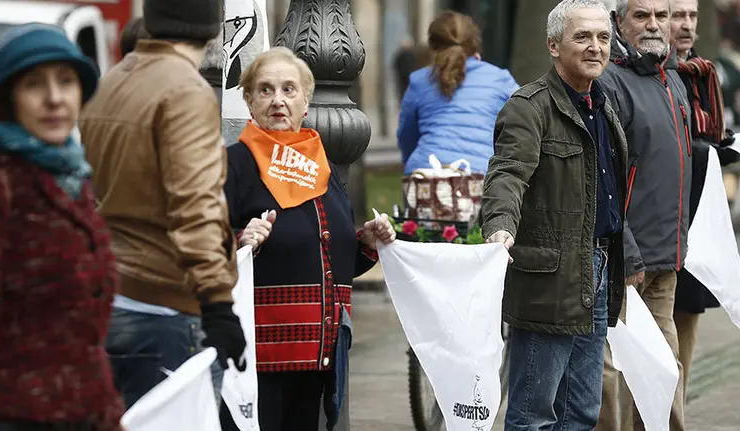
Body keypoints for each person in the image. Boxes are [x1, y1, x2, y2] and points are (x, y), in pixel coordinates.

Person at [78, 0, 245, 409]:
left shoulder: (111, 81)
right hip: (166, 306)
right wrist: (218, 302)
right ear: (213, 27)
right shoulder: (186, 91)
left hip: (109, 295)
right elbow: (196, 203)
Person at [220, 47, 396, 431]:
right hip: (259, 356)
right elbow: (202, 245)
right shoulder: (234, 164)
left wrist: (364, 242)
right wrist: (239, 240)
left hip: (320, 353)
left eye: (289, 89)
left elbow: (332, 257)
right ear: (249, 101)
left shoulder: (323, 165)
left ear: (306, 102)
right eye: (265, 90)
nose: (278, 100)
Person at [478, 0, 627, 428]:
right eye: (582, 37)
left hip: (597, 272)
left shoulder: (603, 104)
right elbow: (507, 175)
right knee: (533, 414)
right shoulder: (530, 106)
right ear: (553, 46)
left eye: (602, 37)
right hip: (550, 282)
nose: (596, 47)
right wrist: (500, 228)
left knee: (581, 412)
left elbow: (610, 195)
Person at [0, 23, 124, 430]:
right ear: (9, 98)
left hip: (88, 409)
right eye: (35, 84)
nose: (54, 98)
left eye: (66, 81)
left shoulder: (71, 173)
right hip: (17, 414)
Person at [596, 0, 693, 429]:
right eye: (641, 15)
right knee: (612, 373)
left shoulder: (673, 79)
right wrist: (626, 251)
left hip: (665, 259)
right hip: (623, 259)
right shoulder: (610, 83)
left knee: (663, 370)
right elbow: (606, 178)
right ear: (619, 22)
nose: (653, 24)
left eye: (660, 15)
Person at [671, 0, 740, 403]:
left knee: (687, 321)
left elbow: (712, 134)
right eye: (676, 15)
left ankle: (676, 409)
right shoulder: (646, 74)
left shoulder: (705, 74)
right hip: (655, 215)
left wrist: (720, 148)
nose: (685, 24)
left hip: (698, 210)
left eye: (692, 16)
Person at [397, 11, 519, 175]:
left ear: (433, 46)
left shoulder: (419, 81)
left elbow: (407, 137)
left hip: (425, 173)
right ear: (475, 44)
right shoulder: (500, 79)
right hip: (481, 175)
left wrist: (409, 163)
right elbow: (526, 124)